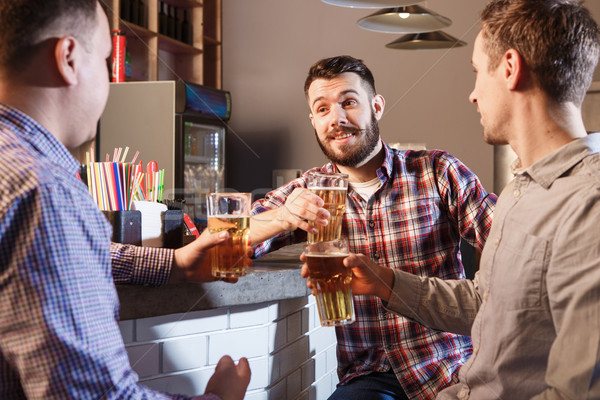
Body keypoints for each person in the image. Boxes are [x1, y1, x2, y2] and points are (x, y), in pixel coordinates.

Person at [303, 0, 600, 398]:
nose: (473, 95)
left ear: (510, 69)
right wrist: (386, 282)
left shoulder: (588, 205)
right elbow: (488, 300)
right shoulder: (522, 190)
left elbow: (579, 391)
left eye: (478, 72)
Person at [0, 1, 251, 399]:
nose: (109, 85)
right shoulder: (45, 191)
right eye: (103, 60)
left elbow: (51, 254)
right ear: (67, 58)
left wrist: (175, 265)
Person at [250, 55, 497, 399]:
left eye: (348, 102)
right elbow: (226, 239)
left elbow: (506, 238)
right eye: (322, 109)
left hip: (450, 367)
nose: (336, 118)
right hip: (368, 378)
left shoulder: (437, 170)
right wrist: (282, 216)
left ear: (376, 106)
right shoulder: (308, 190)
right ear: (313, 120)